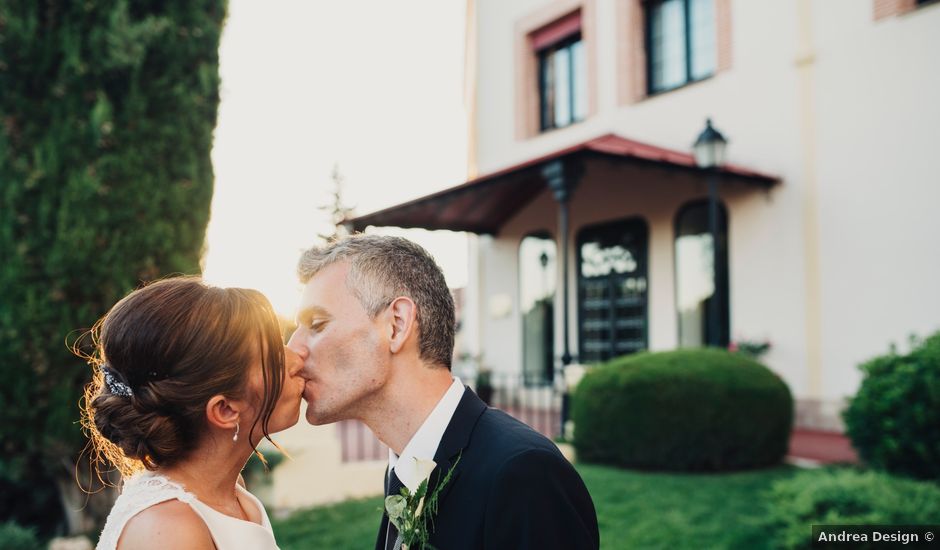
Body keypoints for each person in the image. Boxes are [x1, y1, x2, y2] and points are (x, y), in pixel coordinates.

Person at [288, 235, 599, 550]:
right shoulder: (405, 465)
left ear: (396, 325)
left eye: (316, 324)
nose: (294, 349)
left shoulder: (524, 476)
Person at [83, 277, 305, 550]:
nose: (296, 359)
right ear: (225, 410)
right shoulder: (169, 529)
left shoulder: (225, 493)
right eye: (272, 357)